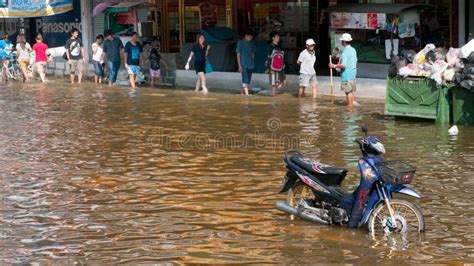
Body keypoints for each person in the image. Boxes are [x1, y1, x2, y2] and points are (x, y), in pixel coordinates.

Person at [329, 33, 358, 106]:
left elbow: (343, 65)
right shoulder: (353, 49)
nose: (341, 42)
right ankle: (352, 104)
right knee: (350, 91)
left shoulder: (345, 52)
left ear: (344, 42)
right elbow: (355, 61)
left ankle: (350, 107)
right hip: (353, 74)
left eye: (342, 41)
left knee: (347, 92)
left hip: (346, 75)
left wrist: (334, 65)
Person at [236, 30, 256, 95]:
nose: (250, 38)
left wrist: (252, 61)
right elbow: (238, 54)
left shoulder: (252, 43)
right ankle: (247, 95)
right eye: (249, 37)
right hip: (243, 63)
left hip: (250, 63)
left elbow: (253, 53)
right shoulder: (240, 43)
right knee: (245, 79)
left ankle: (242, 92)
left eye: (251, 37)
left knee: (248, 79)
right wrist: (239, 66)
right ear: (246, 36)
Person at [267, 31, 285, 97]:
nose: (278, 38)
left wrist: (283, 64)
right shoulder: (270, 46)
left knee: (280, 82)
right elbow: (268, 57)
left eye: (278, 36)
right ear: (273, 38)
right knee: (274, 84)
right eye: (277, 36)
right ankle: (273, 98)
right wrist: (268, 68)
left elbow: (281, 57)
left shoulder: (279, 46)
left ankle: (273, 95)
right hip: (272, 68)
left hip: (279, 67)